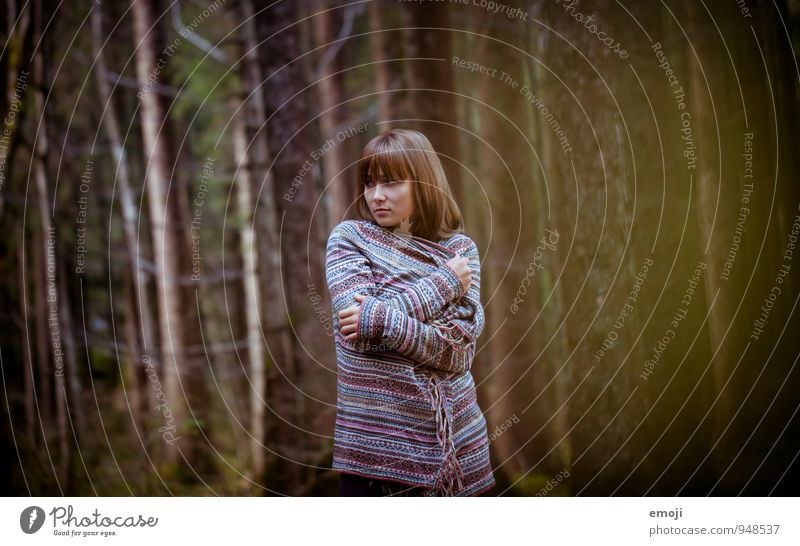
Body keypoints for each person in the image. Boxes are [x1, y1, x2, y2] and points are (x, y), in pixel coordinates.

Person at [325, 128, 495, 496]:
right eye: (369, 183)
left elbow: (456, 352)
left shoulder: (460, 250)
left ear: (423, 182)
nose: (376, 196)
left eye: (391, 183)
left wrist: (379, 317)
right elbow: (358, 338)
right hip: (374, 450)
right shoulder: (349, 239)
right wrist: (443, 285)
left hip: (455, 449)